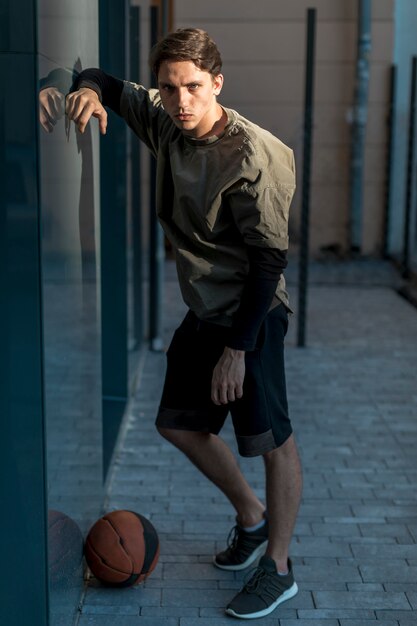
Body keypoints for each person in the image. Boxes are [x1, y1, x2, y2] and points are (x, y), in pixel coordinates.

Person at [65, 27, 303, 620]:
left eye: (194, 87)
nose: (181, 101)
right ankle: (251, 519)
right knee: (178, 423)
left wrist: (237, 350)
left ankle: (278, 566)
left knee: (271, 441)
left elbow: (270, 260)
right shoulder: (166, 119)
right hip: (207, 307)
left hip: (254, 310)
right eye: (171, 88)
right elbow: (108, 81)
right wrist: (86, 90)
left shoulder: (254, 156)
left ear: (217, 83)